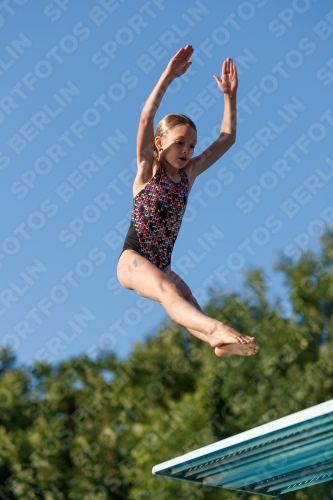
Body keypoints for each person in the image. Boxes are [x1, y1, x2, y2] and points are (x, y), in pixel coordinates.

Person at [117, 44, 259, 357]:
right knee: (169, 293)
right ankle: (217, 329)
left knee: (188, 302)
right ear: (159, 143)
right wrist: (168, 76)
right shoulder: (147, 170)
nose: (187, 150)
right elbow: (145, 118)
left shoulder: (189, 175)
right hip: (133, 260)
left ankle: (219, 343)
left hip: (162, 264)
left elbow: (227, 138)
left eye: (191, 145)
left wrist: (229, 97)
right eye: (180, 142)